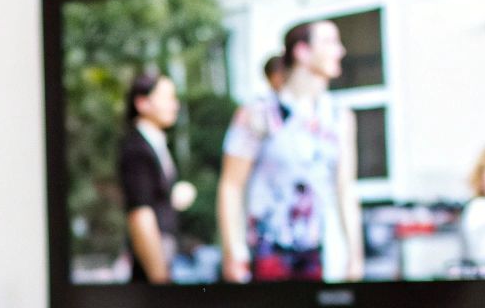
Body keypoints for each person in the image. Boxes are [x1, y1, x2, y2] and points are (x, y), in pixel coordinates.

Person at [217, 20, 363, 282]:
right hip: (267, 253)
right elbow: (231, 185)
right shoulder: (257, 114)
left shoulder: (340, 117)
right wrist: (233, 252)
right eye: (330, 42)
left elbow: (345, 188)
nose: (340, 51)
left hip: (320, 254)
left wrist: (355, 255)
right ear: (302, 51)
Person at [117, 71, 197, 283]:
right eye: (168, 98)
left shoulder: (154, 143)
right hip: (152, 269)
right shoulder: (137, 148)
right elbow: (140, 214)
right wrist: (159, 277)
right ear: (142, 103)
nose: (175, 105)